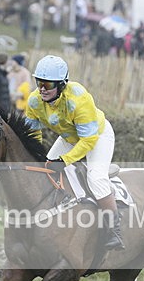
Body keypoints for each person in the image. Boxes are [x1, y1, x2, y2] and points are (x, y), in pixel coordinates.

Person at [24, 55, 124, 250]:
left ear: (61, 84)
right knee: (45, 169)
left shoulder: (79, 99)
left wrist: (65, 160)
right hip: (70, 137)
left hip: (97, 136)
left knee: (95, 178)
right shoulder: (34, 101)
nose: (42, 88)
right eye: (39, 82)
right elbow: (32, 132)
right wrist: (35, 154)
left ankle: (114, 229)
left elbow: (88, 140)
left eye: (47, 84)